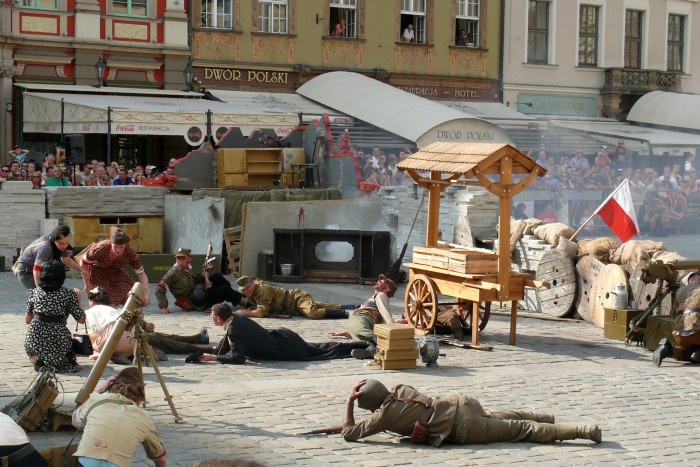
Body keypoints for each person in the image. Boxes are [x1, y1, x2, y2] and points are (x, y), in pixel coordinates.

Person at [342, 379, 602, 446]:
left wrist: (349, 404)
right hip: (461, 403)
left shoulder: (383, 416)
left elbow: (350, 434)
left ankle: (581, 431)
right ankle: (543, 415)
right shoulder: (400, 388)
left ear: (371, 406)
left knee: (520, 432)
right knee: (500, 417)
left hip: (463, 429)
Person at [195, 302, 370, 364]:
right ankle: (361, 346)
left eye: (212, 316)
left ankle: (362, 348)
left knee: (321, 352)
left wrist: (215, 358)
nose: (212, 319)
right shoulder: (234, 319)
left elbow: (237, 357)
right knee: (318, 348)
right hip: (282, 338)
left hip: (284, 346)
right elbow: (225, 344)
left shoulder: (234, 328)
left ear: (219, 318)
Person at [85, 287, 211, 363]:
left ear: (92, 300)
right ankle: (199, 342)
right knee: (161, 339)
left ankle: (200, 343)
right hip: (129, 336)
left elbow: (97, 330)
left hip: (118, 340)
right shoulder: (113, 309)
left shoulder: (92, 311)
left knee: (160, 339)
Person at [72, 368, 167, 467]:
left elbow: (76, 420)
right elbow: (160, 457)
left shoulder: (96, 400)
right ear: (140, 397)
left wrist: (99, 391)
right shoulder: (143, 418)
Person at [24, 261, 85, 373]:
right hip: (58, 336)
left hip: (34, 337)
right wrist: (79, 300)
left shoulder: (35, 292)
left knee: (33, 346)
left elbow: (27, 320)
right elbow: (81, 319)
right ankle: (53, 362)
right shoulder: (68, 294)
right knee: (64, 357)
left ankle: (38, 359)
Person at [156, 248, 246, 314]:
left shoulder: (187, 268)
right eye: (178, 258)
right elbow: (160, 287)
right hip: (194, 301)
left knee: (218, 276)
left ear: (189, 258)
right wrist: (163, 306)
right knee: (225, 290)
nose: (180, 261)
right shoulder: (173, 272)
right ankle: (246, 302)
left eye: (183, 258)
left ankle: (234, 297)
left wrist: (205, 270)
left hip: (197, 292)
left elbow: (193, 281)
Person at [330, 275, 397, 359]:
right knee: (358, 338)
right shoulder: (377, 296)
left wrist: (394, 329)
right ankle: (371, 350)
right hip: (359, 319)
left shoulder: (381, 295)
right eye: (379, 280)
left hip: (362, 316)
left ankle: (382, 345)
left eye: (382, 282)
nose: (379, 281)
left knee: (361, 332)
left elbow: (386, 314)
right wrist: (347, 333)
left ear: (386, 289)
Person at [81, 227, 151, 307]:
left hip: (116, 272)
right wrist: (87, 283)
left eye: (121, 247)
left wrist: (146, 292)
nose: (118, 250)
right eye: (116, 246)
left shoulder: (129, 252)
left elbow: (141, 273)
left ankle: (126, 316)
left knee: (128, 292)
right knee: (101, 298)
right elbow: (83, 263)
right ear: (111, 243)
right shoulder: (101, 248)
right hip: (98, 273)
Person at [236, 276, 352, 319]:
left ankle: (346, 313)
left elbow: (261, 313)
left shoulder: (262, 290)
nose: (246, 291)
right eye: (243, 290)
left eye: (247, 288)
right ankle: (353, 307)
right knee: (318, 306)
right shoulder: (252, 293)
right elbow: (252, 304)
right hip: (291, 307)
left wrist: (243, 312)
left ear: (252, 284)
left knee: (312, 313)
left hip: (296, 298)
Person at [15, 225, 84, 290]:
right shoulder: (46, 247)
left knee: (50, 292)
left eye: (67, 243)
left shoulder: (64, 245)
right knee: (41, 294)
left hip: (41, 270)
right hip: (26, 270)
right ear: (55, 240)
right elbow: (37, 269)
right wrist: (39, 289)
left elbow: (67, 260)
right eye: (61, 243)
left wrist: (81, 270)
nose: (64, 246)